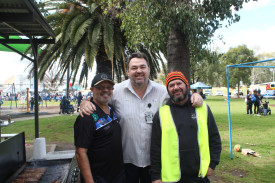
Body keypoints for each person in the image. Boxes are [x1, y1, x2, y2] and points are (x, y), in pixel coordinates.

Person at [80, 52, 203, 183]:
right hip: (125, 162)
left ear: (149, 69)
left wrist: (195, 97)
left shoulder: (163, 91)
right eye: (134, 68)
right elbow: (100, 99)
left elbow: (180, 97)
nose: (139, 71)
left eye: (142, 67)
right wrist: (85, 102)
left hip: (155, 163)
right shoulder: (116, 91)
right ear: (127, 71)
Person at [150, 71, 222, 183]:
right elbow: (155, 148)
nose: (176, 87)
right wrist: (155, 177)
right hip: (172, 179)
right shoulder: (161, 114)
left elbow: (214, 138)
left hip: (199, 177)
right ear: (168, 90)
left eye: (179, 83)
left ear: (186, 85)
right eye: (171, 85)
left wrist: (213, 164)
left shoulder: (202, 109)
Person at [74, 73, 125, 183]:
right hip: (98, 178)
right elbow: (80, 153)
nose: (105, 90)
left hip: (117, 177)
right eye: (100, 87)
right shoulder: (86, 117)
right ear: (92, 89)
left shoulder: (112, 109)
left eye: (109, 87)